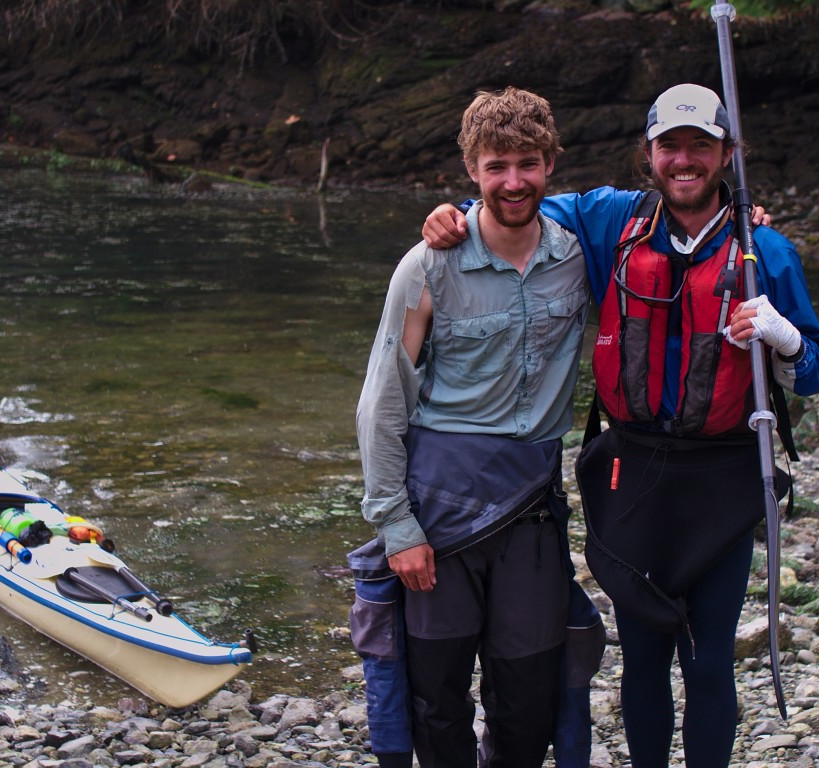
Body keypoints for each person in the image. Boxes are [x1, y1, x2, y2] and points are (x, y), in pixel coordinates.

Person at [421, 83, 819, 768]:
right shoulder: (612, 221)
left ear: (726, 153)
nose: (684, 160)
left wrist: (784, 338)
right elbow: (517, 202)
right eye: (670, 146)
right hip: (633, 474)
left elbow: (814, 371)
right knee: (641, 661)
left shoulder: (765, 251)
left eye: (700, 146)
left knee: (706, 665)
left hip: (722, 481)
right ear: (649, 153)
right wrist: (456, 214)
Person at [353, 86, 605, 768]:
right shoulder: (427, 266)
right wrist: (396, 527)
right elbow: (381, 403)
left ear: (551, 163)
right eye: (497, 166)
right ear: (471, 169)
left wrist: (745, 219)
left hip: (530, 513)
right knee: (436, 698)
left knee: (527, 698)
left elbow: (671, 228)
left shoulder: (580, 257)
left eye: (527, 162)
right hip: (437, 514)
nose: (513, 181)